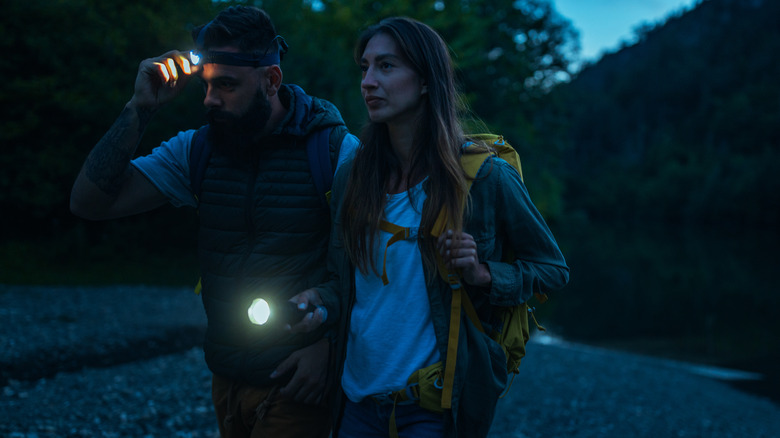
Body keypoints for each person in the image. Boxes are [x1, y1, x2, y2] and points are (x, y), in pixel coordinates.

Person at [70, 6, 358, 438]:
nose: (209, 100)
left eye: (226, 85)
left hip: (299, 383)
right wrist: (140, 107)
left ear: (271, 81)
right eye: (207, 85)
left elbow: (371, 268)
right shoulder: (197, 151)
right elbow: (89, 203)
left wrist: (330, 347)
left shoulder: (336, 152)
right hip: (225, 378)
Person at [289, 17, 570, 437]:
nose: (368, 81)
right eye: (364, 67)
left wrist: (483, 273)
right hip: (355, 404)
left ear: (425, 81)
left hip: (430, 410)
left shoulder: (483, 178)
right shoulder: (353, 175)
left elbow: (553, 269)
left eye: (386, 66)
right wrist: (320, 303)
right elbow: (346, 282)